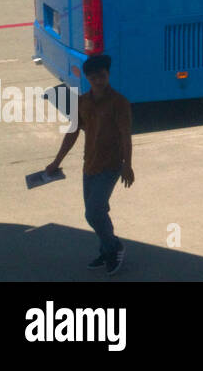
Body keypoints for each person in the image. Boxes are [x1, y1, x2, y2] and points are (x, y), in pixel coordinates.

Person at [44, 55, 133, 277]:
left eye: (102, 76)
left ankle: (114, 248)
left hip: (111, 165)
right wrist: (57, 162)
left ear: (108, 75)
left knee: (93, 212)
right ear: (87, 78)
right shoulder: (82, 102)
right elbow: (72, 133)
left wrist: (128, 165)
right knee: (97, 211)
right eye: (93, 78)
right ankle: (106, 249)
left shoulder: (119, 103)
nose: (98, 81)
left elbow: (125, 136)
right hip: (89, 165)